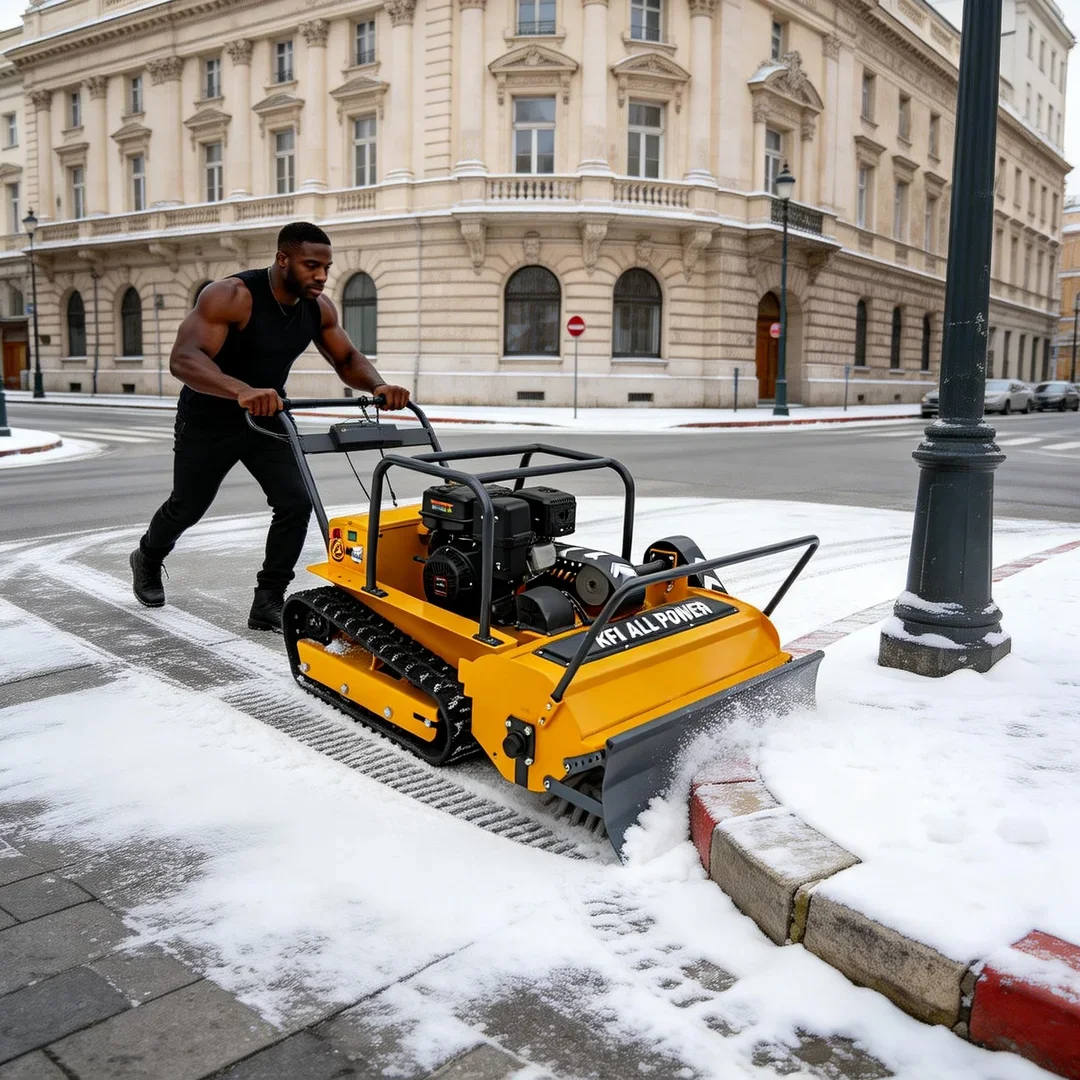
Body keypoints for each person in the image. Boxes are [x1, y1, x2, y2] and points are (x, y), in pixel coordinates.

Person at [130, 221, 410, 631]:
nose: (321, 276)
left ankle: (268, 599)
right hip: (209, 418)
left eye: (326, 268)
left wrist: (379, 384)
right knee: (188, 506)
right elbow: (185, 359)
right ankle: (148, 556)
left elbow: (346, 360)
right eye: (311, 265)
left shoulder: (319, 308)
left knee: (295, 503)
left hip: (268, 417)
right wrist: (240, 389)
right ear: (283, 259)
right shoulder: (232, 295)